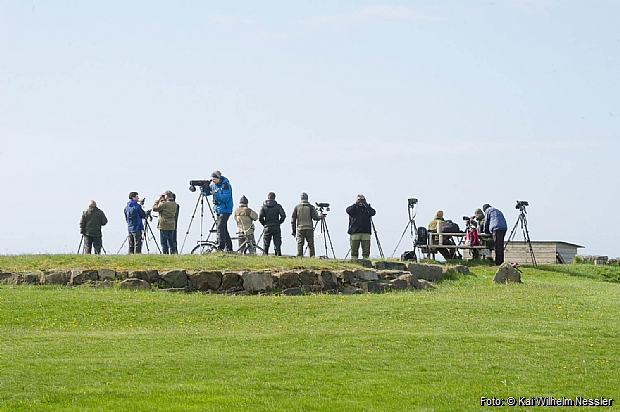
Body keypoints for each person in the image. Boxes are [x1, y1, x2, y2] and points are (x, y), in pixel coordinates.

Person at [201, 170, 233, 251]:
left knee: (220, 227)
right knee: (223, 229)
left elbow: (225, 198)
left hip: (226, 209)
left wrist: (215, 194)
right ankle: (229, 248)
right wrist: (203, 186)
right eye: (212, 179)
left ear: (218, 178)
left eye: (214, 179)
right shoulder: (214, 185)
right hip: (218, 210)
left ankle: (220, 246)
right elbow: (206, 193)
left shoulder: (226, 185)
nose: (213, 181)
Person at [291, 192, 322, 257]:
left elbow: (293, 220)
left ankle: (300, 256)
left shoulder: (297, 207)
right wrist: (320, 217)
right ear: (307, 198)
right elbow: (315, 218)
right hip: (309, 228)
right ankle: (312, 256)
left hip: (300, 228)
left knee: (300, 243)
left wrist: (293, 230)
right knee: (310, 243)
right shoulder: (311, 207)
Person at [346, 194, 376, 260]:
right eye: (359, 200)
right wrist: (355, 204)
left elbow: (373, 212)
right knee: (354, 250)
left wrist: (366, 205)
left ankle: (366, 262)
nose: (361, 202)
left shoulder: (367, 209)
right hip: (355, 232)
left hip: (366, 232)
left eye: (362, 200)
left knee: (366, 251)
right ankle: (354, 262)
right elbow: (348, 210)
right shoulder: (353, 209)